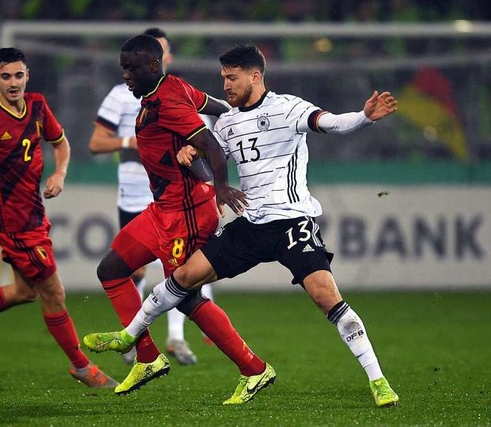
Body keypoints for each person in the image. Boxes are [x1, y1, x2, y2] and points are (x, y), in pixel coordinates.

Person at [84, 44, 400, 407]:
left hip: (291, 221)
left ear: (255, 76)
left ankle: (378, 381)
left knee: (326, 297)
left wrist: (364, 116)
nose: (226, 85)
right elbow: (213, 156)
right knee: (185, 277)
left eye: (232, 78)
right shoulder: (228, 122)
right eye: (223, 77)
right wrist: (192, 159)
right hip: (250, 224)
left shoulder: (287, 107)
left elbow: (331, 123)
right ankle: (133, 338)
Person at [83, 35, 276, 405]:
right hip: (162, 209)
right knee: (110, 270)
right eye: (122, 66)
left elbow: (210, 144)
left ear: (152, 67)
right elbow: (218, 106)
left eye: (131, 68)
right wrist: (238, 115)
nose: (125, 74)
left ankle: (253, 368)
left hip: (186, 213)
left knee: (185, 297)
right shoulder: (172, 88)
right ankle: (146, 358)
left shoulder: (168, 100)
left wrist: (220, 186)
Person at [0, 47, 117, 389]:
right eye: (5, 76)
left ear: (27, 75)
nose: (13, 83)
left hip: (35, 216)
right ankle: (81, 366)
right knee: (54, 293)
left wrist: (60, 174)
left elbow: (61, 144)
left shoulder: (38, 106)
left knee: (24, 292)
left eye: (18, 75)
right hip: (14, 225)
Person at [88, 27, 215, 366]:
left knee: (185, 273)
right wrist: (132, 142)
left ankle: (175, 339)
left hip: (178, 201)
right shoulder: (121, 95)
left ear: (162, 60)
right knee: (137, 273)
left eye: (166, 52)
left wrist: (213, 182)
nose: (129, 72)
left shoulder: (176, 94)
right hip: (134, 196)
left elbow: (207, 142)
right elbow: (96, 143)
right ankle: (138, 343)